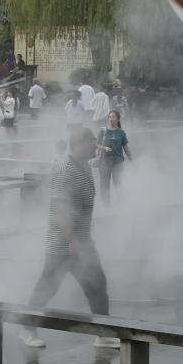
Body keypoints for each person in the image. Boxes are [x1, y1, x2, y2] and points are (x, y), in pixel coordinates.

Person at [21, 128, 117, 349]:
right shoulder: (66, 169)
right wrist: (72, 241)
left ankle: (103, 332)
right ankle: (26, 328)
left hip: (82, 240)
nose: (96, 145)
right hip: (64, 243)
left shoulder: (84, 166)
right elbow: (61, 208)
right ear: (79, 144)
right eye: (92, 141)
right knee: (48, 286)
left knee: (97, 284)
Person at [96, 110, 132, 205]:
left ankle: (122, 205)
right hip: (104, 161)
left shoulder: (121, 132)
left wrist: (131, 159)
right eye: (110, 117)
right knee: (104, 184)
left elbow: (125, 147)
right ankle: (106, 206)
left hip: (118, 162)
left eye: (113, 117)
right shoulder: (103, 131)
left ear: (118, 119)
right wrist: (104, 148)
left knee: (119, 184)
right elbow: (96, 144)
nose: (111, 119)